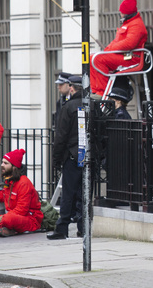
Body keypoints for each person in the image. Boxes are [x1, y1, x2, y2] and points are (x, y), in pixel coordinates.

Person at [89, 0, 148, 97]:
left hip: (131, 59)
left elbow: (129, 43)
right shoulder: (128, 24)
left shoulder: (137, 25)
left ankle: (102, 92)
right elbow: (117, 42)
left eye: (122, 13)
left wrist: (110, 50)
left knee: (98, 59)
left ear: (127, 13)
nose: (120, 15)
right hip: (123, 57)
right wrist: (107, 50)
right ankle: (95, 90)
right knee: (92, 58)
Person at [0, 149, 43, 237]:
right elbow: (4, 197)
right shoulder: (9, 181)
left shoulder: (24, 183)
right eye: (2, 162)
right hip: (10, 217)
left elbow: (21, 210)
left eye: (5, 163)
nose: (2, 165)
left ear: (14, 167)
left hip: (29, 219)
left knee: (8, 219)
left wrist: (1, 218)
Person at [48, 74, 84, 240]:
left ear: (72, 88)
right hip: (88, 157)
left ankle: (62, 228)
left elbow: (61, 136)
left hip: (71, 155)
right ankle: (83, 228)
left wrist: (56, 159)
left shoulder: (68, 107)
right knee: (84, 193)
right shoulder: (92, 105)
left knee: (68, 193)